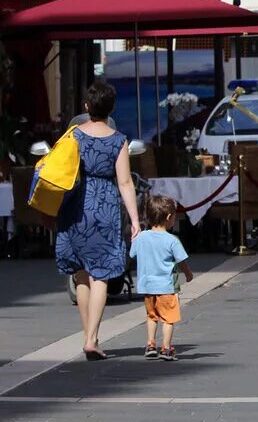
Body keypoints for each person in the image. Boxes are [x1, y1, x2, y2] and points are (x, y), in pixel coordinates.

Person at [55, 81, 140, 361]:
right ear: (111, 109)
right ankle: (92, 338)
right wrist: (135, 220)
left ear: (86, 107)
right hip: (104, 207)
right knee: (100, 274)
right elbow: (125, 183)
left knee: (80, 272)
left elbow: (59, 170)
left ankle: (88, 336)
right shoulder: (118, 140)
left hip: (75, 206)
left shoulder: (73, 136)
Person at [131, 195, 195, 361]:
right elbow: (181, 261)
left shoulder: (141, 237)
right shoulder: (172, 240)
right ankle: (166, 348)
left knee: (151, 316)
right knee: (168, 318)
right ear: (168, 217)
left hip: (147, 286)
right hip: (166, 286)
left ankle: (150, 344)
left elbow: (132, 254)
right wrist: (188, 274)